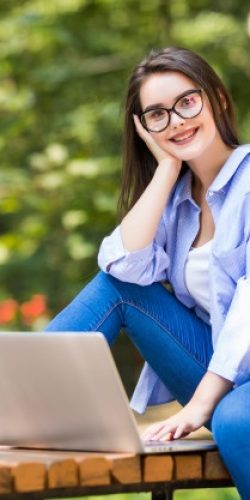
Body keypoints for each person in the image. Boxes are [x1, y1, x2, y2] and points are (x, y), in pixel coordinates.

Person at [46, 47, 250, 498]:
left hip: (233, 384)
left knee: (237, 416)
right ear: (143, 129)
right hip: (220, 375)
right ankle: (20, 403)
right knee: (117, 287)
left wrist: (200, 405)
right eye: (157, 114)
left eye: (186, 102)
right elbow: (119, 267)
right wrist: (166, 169)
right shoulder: (176, 203)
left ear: (216, 98)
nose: (176, 121)